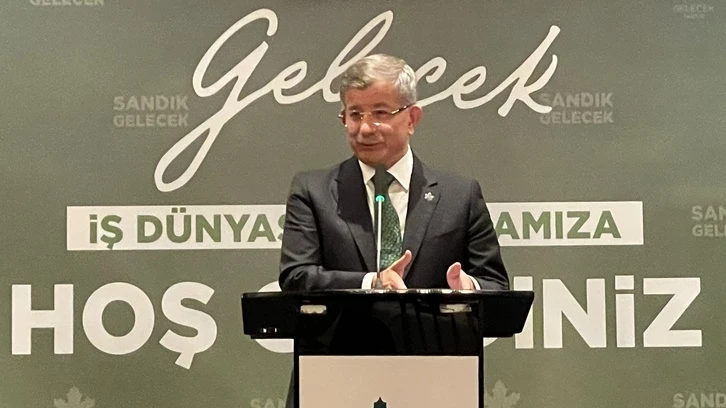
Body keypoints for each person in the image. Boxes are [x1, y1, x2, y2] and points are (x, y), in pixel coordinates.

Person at [278, 53, 509, 291]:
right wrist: (372, 282)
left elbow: (496, 284)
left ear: (412, 119)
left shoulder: (459, 196)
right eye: (355, 115)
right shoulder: (314, 193)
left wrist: (467, 286)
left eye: (380, 113)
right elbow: (297, 276)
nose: (365, 129)